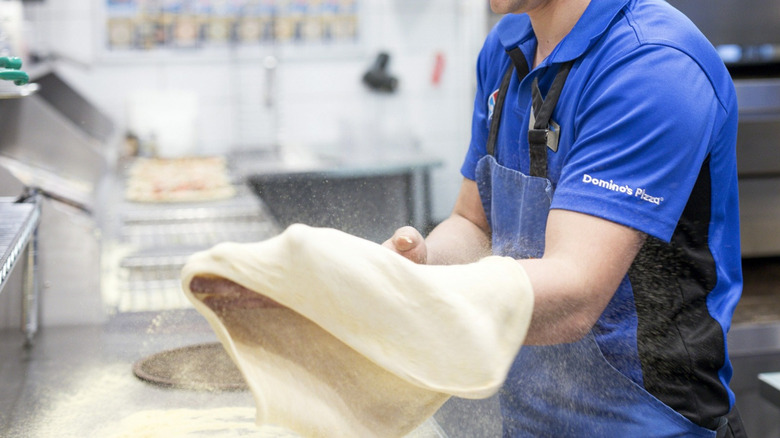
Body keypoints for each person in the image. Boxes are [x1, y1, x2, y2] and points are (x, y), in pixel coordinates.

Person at [383, 0, 745, 436]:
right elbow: (475, 223)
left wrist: (404, 299)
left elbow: (573, 296)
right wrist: (422, 260)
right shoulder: (507, 45)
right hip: (527, 422)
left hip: (649, 426)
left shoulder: (653, 63)